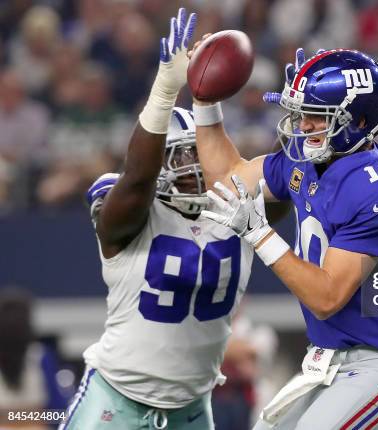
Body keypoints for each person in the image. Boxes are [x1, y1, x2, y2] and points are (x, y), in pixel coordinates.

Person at [191, 46, 378, 429]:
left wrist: (259, 233)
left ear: (359, 120)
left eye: (316, 115)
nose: (302, 126)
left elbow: (326, 297)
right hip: (327, 364)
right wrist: (204, 104)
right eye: (301, 114)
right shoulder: (307, 158)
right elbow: (229, 179)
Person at [59, 9, 254, 430]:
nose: (192, 162)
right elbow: (137, 178)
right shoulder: (130, 217)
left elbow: (281, 184)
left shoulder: (237, 205)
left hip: (193, 406)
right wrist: (166, 89)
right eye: (178, 154)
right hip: (117, 402)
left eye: (195, 150)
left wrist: (207, 100)